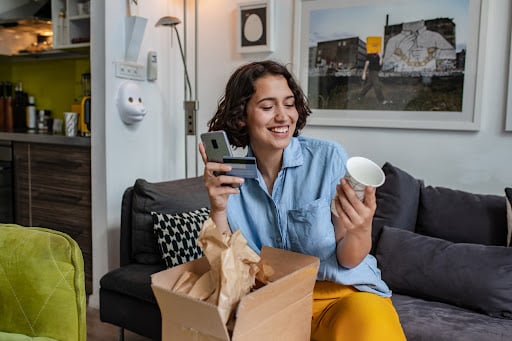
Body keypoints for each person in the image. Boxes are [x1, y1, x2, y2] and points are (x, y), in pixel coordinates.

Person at [198, 60, 406, 341]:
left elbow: (348, 259)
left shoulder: (328, 158)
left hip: (342, 296)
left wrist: (360, 229)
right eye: (268, 107)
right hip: (274, 303)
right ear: (241, 117)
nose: (283, 116)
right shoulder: (231, 178)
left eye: (289, 103)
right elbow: (230, 273)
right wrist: (218, 209)